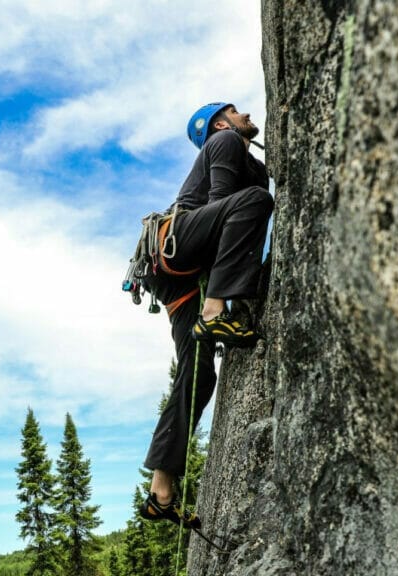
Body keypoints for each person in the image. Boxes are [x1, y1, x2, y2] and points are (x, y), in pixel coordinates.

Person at [137, 102, 274, 527]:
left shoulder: (249, 162)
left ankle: (160, 490)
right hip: (179, 244)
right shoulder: (226, 140)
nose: (245, 114)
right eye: (235, 111)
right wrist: (219, 300)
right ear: (219, 123)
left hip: (175, 279)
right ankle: (213, 312)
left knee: (197, 373)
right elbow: (223, 207)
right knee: (253, 201)